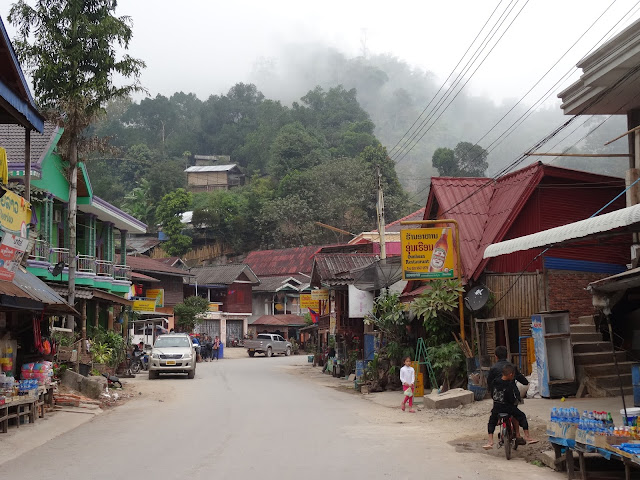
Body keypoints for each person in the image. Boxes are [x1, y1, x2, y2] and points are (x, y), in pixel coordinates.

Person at [484, 364, 538, 449]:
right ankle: (527, 436)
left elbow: (492, 394)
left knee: (492, 421)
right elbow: (511, 398)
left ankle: (490, 441)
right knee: (521, 416)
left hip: (497, 407)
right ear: (511, 374)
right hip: (508, 408)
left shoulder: (494, 382)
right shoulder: (509, 385)